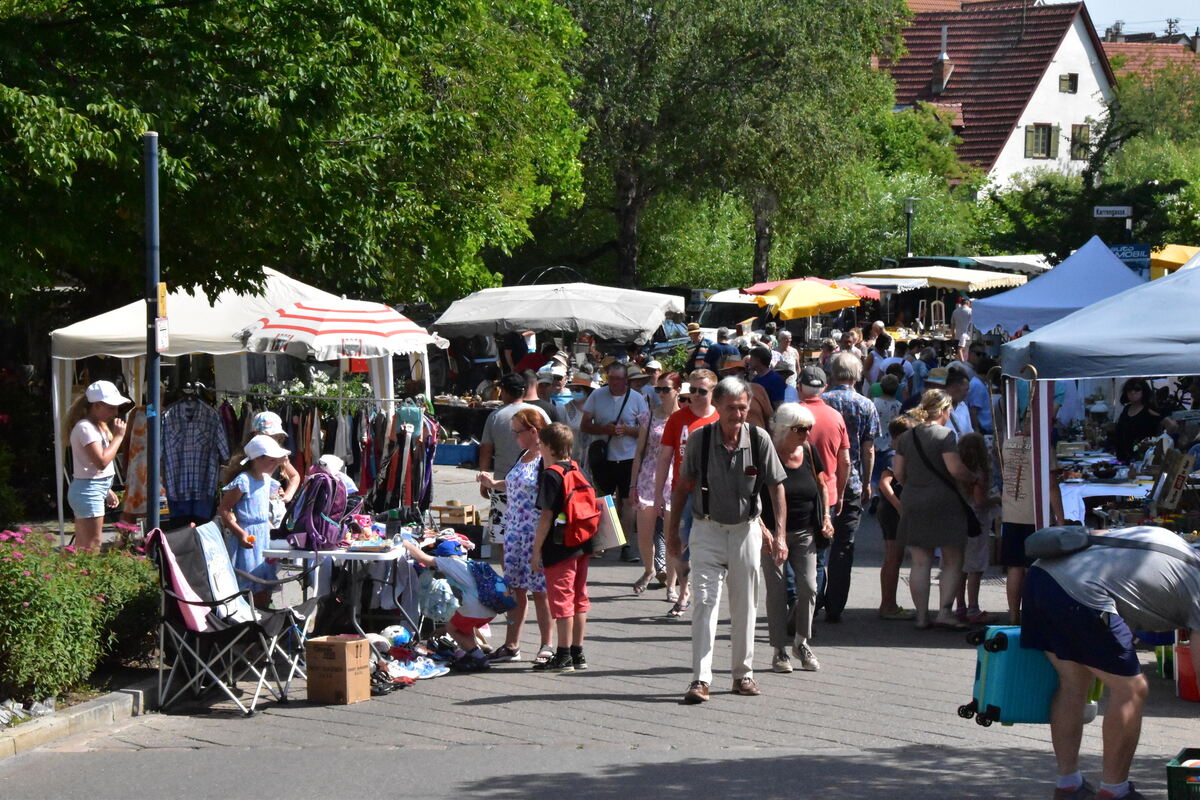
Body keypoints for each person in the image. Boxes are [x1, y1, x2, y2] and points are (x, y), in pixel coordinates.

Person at [1022, 525, 1200, 800]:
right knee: (1131, 689)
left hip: (1039, 577)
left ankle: (1068, 784)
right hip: (1081, 592)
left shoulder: (1174, 544)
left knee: (1073, 683)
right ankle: (1115, 791)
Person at [667, 376, 787, 704]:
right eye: (732, 408)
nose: (738, 414)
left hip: (746, 530)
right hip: (707, 529)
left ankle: (742, 674)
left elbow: (776, 486)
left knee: (745, 603)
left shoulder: (759, 438)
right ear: (717, 407)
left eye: (743, 407)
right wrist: (673, 536)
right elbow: (682, 488)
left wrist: (779, 534)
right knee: (705, 602)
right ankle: (700, 679)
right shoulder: (700, 440)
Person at [892, 389, 980, 630]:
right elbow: (955, 469)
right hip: (944, 502)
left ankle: (921, 616)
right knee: (952, 558)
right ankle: (943, 612)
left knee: (920, 562)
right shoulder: (945, 435)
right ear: (943, 410)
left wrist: (915, 484)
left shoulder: (907, 437)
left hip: (914, 499)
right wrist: (972, 477)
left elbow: (898, 473)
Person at [476, 409, 554, 666]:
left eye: (517, 431)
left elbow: (551, 496)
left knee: (541, 592)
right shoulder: (524, 455)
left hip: (536, 535)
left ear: (533, 431)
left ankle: (547, 645)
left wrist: (543, 540)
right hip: (514, 534)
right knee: (515, 590)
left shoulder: (546, 457)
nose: (514, 436)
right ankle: (512, 645)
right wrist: (492, 482)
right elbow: (514, 485)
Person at [760, 403, 833, 674]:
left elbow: (822, 485)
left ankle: (801, 642)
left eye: (808, 429)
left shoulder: (810, 452)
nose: (806, 434)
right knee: (777, 592)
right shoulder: (766, 454)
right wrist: (765, 531)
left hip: (805, 532)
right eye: (800, 429)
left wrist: (826, 517)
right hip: (771, 534)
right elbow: (751, 496)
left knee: (809, 587)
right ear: (782, 430)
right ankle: (779, 649)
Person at [816, 352, 880, 624]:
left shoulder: (821, 402)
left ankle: (814, 598)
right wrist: (867, 481)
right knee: (844, 545)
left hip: (822, 481)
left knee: (819, 543)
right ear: (857, 375)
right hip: (851, 480)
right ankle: (836, 606)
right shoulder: (866, 405)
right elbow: (869, 448)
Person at [530, 423, 595, 673]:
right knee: (580, 597)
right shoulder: (576, 467)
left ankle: (563, 654)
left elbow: (546, 517)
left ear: (547, 446)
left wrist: (536, 551)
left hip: (559, 545)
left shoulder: (551, 474)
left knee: (562, 600)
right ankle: (578, 653)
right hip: (582, 541)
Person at [655, 369, 720, 616]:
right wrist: (659, 492)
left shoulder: (719, 418)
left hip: (714, 493)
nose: (694, 395)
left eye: (701, 391)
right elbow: (664, 457)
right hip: (683, 492)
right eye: (691, 390)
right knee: (680, 545)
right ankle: (683, 593)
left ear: (713, 392)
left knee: (712, 546)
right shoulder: (678, 418)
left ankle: (708, 591)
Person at [581, 362, 650, 562]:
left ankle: (626, 545)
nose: (615, 383)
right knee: (603, 500)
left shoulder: (637, 399)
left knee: (629, 501)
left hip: (629, 457)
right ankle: (601, 542)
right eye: (611, 378)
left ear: (626, 380)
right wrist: (605, 429)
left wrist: (627, 430)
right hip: (604, 458)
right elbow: (585, 425)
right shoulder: (597, 395)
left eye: (619, 379)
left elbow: (646, 430)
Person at [217, 434, 290, 609]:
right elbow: (224, 509)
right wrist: (241, 533)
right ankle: (249, 621)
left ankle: (262, 620)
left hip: (263, 536)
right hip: (247, 537)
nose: (275, 464)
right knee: (249, 583)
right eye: (271, 460)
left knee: (264, 582)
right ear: (257, 459)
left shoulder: (266, 480)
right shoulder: (244, 481)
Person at [479, 373, 550, 548]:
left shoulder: (495, 416)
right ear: (524, 391)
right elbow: (552, 439)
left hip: (505, 482)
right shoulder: (539, 412)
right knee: (530, 539)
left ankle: (509, 573)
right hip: (529, 487)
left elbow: (486, 449)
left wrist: (484, 477)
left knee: (504, 540)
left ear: (504, 392)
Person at [400, 537, 493, 672]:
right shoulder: (468, 563)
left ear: (441, 556)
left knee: (452, 628)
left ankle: (479, 658)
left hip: (475, 608)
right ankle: (473, 652)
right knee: (463, 625)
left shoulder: (449, 563)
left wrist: (406, 542)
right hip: (489, 607)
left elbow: (422, 557)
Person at [629, 371, 681, 593]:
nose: (660, 393)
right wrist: (633, 484)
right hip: (649, 477)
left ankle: (671, 584)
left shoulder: (683, 418)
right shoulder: (648, 416)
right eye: (658, 389)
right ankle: (649, 569)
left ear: (677, 390)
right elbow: (639, 453)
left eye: (665, 389)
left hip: (674, 478)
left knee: (671, 535)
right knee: (644, 533)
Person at [66, 380, 130, 551]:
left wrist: (106, 489)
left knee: (84, 546)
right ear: (97, 405)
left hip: (92, 487)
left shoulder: (96, 426)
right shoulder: (85, 427)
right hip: (88, 490)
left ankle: (76, 575)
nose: (115, 412)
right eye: (111, 407)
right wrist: (118, 437)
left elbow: (92, 467)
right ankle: (84, 576)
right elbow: (101, 462)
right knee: (91, 546)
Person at [955, 432, 999, 624]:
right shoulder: (978, 472)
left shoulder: (956, 470)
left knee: (959, 567)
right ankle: (973, 608)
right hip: (976, 523)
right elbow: (980, 501)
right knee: (975, 567)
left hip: (957, 520)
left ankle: (960, 607)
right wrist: (997, 500)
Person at [876, 415, 916, 620]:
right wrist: (899, 506)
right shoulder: (894, 454)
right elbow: (884, 483)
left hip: (889, 510)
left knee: (891, 557)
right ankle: (888, 605)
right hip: (893, 511)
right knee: (894, 557)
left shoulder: (891, 452)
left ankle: (887, 603)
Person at [1110, 377, 1177, 463]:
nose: (1133, 392)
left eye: (1137, 389)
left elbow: (1172, 425)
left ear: (1144, 391)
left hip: (1143, 459)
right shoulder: (1126, 409)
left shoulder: (1149, 409)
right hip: (1124, 458)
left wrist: (1159, 443)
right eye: (1129, 390)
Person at [870, 374, 903, 510]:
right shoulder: (899, 405)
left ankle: (874, 494)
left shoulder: (874, 402)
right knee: (887, 471)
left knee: (874, 471)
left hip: (876, 440)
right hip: (891, 442)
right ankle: (886, 494)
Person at [718, 356, 773, 430]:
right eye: (725, 374)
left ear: (743, 372)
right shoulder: (719, 393)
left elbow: (770, 418)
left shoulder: (757, 389)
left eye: (732, 373)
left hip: (757, 438)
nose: (729, 377)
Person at [561, 371, 596, 473]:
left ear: (587, 391)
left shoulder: (595, 409)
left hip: (590, 460)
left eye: (578, 389)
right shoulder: (565, 409)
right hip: (571, 459)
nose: (574, 392)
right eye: (572, 389)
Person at [951, 298, 973, 362]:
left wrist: (953, 336)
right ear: (968, 303)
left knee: (959, 354)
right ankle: (964, 365)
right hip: (968, 335)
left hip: (957, 336)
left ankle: (960, 366)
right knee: (966, 354)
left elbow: (952, 325)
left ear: (961, 303)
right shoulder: (970, 311)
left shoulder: (955, 311)